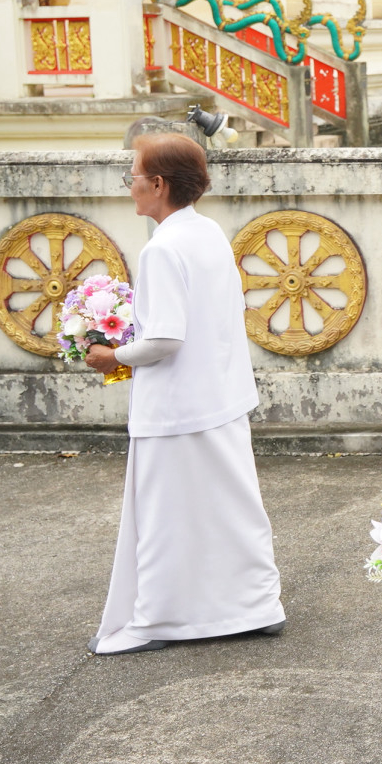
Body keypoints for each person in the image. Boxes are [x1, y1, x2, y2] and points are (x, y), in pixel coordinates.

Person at [89, 134, 283, 656]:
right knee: (234, 510)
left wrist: (113, 357)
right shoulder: (209, 232)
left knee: (164, 520)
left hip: (175, 407)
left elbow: (166, 339)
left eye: (133, 176)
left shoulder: (163, 248)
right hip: (220, 395)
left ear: (158, 184)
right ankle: (257, 605)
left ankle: (155, 619)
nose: (129, 186)